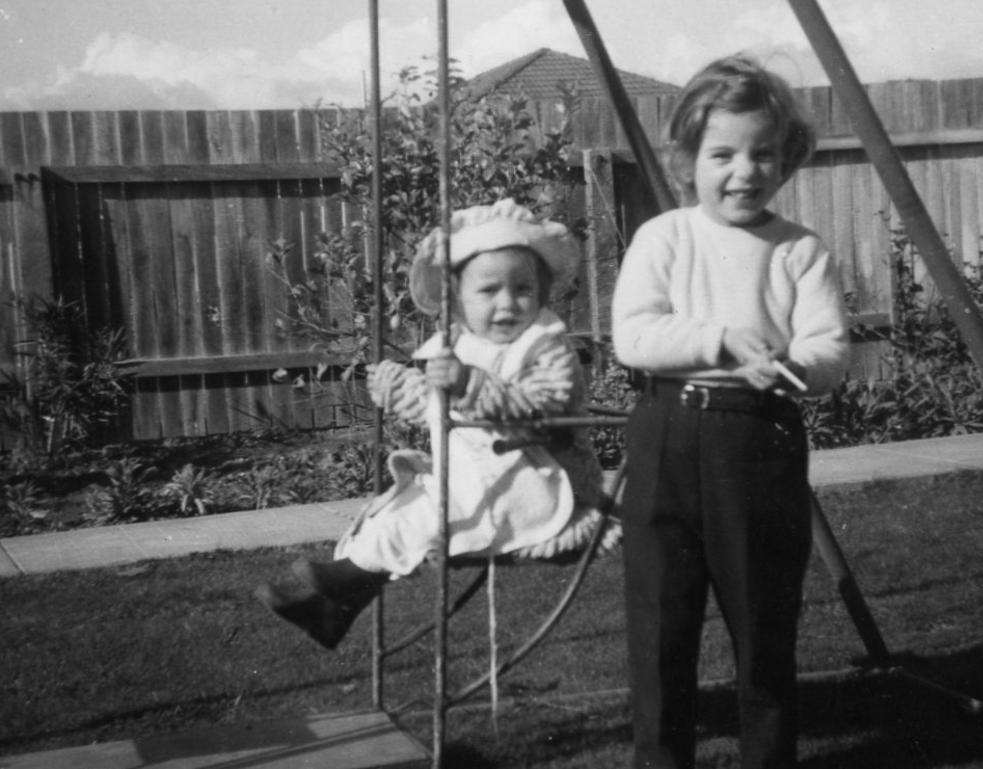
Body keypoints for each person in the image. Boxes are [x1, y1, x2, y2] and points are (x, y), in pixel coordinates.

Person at [611, 55, 850, 769]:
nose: (743, 171)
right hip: (665, 437)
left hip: (759, 441)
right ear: (688, 161)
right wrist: (716, 338)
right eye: (723, 154)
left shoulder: (799, 251)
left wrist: (790, 364)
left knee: (764, 629)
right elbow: (635, 336)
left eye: (763, 154)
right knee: (660, 632)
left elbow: (830, 350)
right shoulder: (665, 238)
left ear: (788, 160)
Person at [256, 198, 610, 650]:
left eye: (522, 288)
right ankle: (335, 605)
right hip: (474, 471)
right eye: (488, 291)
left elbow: (543, 406)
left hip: (538, 475)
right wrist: (402, 388)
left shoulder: (544, 347)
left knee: (429, 518)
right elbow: (435, 406)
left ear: (541, 292)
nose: (507, 304)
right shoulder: (461, 344)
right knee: (395, 511)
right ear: (458, 301)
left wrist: (469, 383)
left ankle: (342, 582)